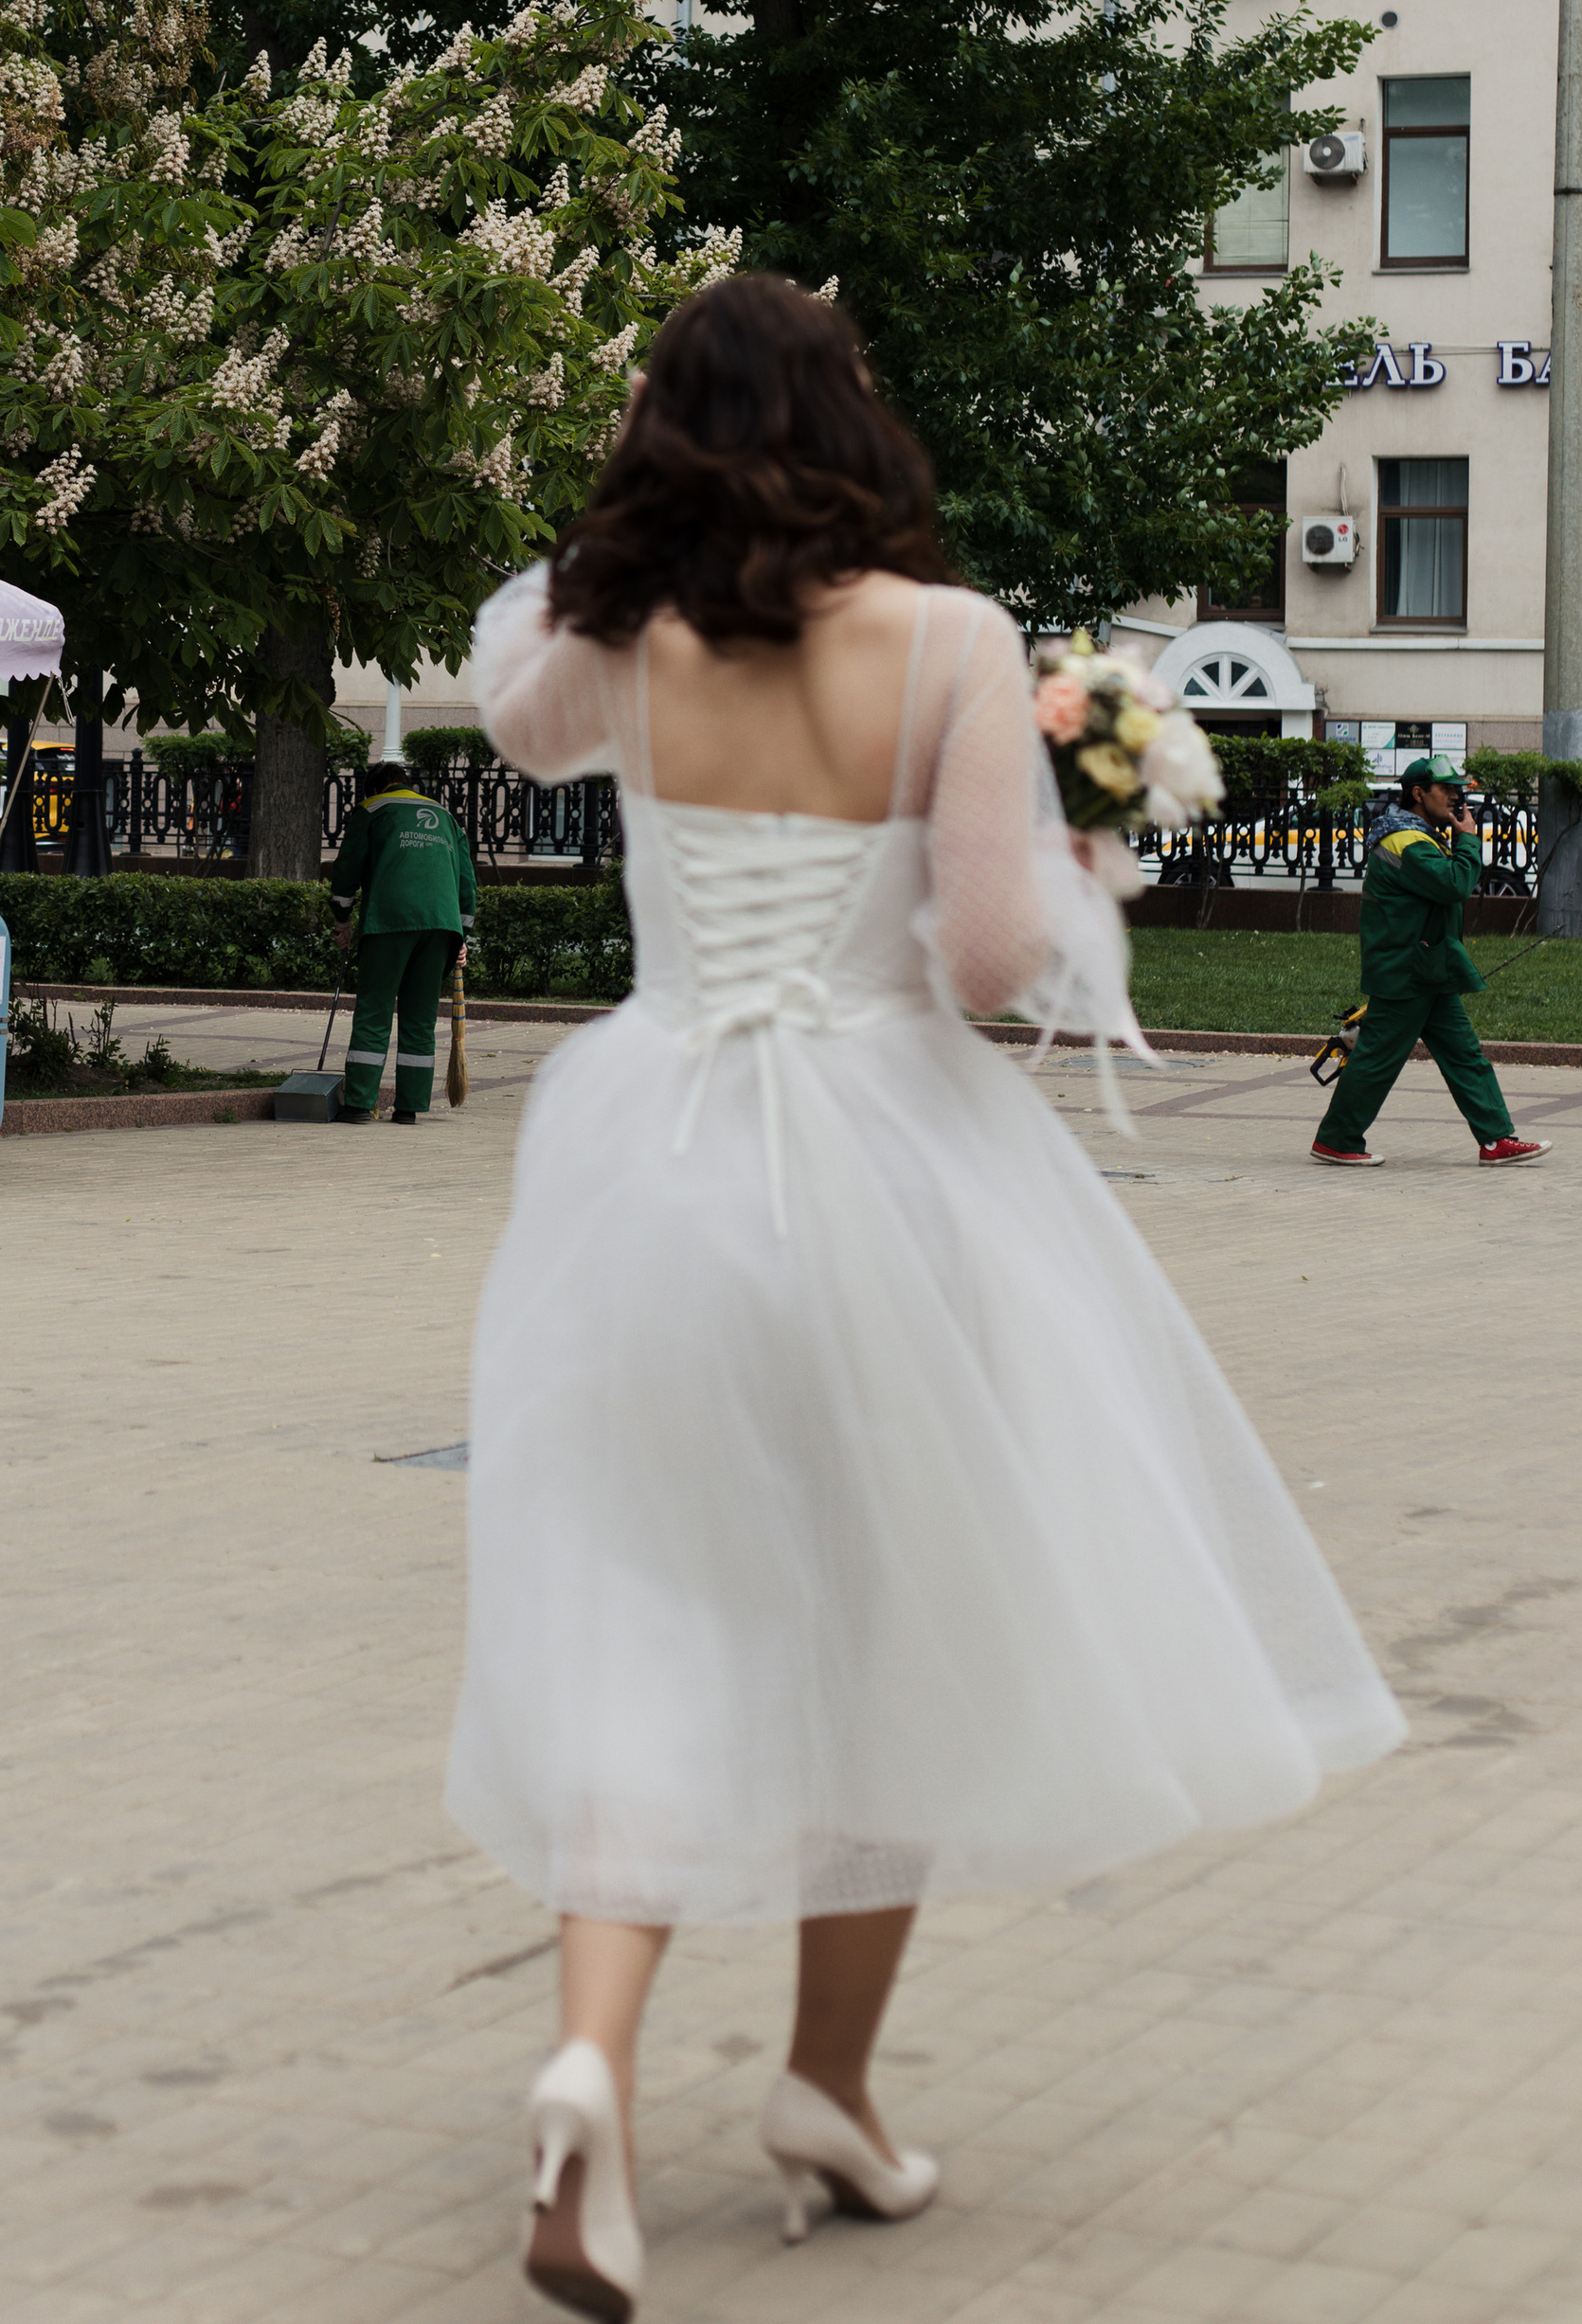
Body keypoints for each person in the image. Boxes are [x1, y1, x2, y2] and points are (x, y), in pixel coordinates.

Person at [446, 277, 1404, 2319]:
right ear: (845, 419)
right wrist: (1091, 872)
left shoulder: (607, 642)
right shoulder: (953, 642)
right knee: (879, 1622)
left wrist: (615, 530)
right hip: (887, 1167)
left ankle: (587, 2066)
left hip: (649, 1155)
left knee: (641, 1606)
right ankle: (823, 2085)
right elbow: (981, 959)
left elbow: (513, 705)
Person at [1310, 758, 1548, 1170]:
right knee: (1377, 1061)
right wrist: (1469, 840)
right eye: (1446, 789)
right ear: (1418, 793)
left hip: (1426, 968)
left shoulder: (1417, 835)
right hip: (1406, 971)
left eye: (1458, 789)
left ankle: (1496, 1140)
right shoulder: (1407, 841)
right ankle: (1336, 1140)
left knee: (1465, 1056)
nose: (1456, 795)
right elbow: (1454, 884)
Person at [325, 755, 476, 1122]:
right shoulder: (445, 817)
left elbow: (347, 868)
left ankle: (360, 1103)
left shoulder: (372, 808)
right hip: (442, 927)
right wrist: (462, 937)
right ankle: (409, 1108)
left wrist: (341, 919)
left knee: (375, 1010)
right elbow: (467, 883)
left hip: (389, 922)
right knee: (420, 1017)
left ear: (375, 787)